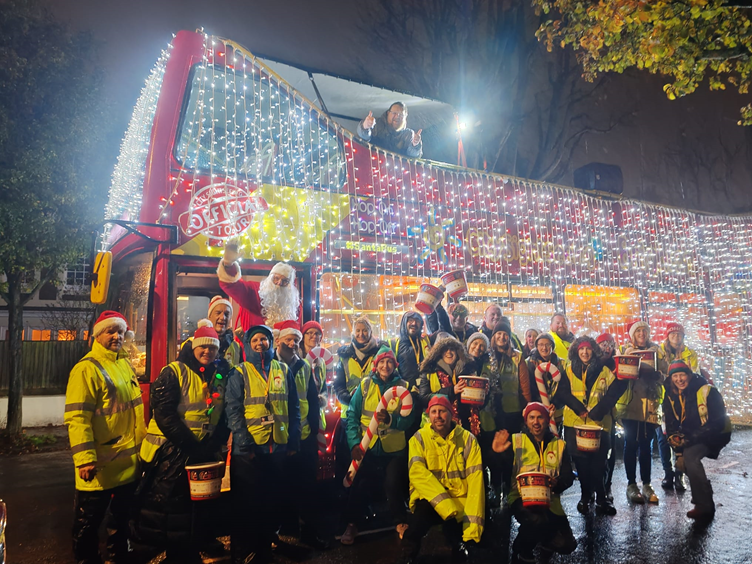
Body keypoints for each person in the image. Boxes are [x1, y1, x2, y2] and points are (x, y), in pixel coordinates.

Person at [134, 320, 231, 562]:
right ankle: (177, 556)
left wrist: (212, 445)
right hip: (172, 455)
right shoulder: (173, 371)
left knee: (197, 510)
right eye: (203, 347)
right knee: (173, 510)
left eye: (213, 348)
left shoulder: (217, 375)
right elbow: (164, 415)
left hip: (201, 454)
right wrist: (192, 446)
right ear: (194, 346)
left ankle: (189, 551)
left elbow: (221, 414)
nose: (208, 352)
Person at [64, 310, 146, 564]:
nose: (116, 337)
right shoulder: (86, 369)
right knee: (88, 524)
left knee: (121, 520)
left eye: (120, 332)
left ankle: (118, 557)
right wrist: (85, 459)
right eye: (111, 331)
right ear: (97, 335)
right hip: (99, 466)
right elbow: (77, 418)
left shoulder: (123, 364)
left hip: (127, 465)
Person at [225, 325, 301, 564]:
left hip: (276, 447)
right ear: (249, 344)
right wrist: (245, 445)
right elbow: (233, 411)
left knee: (271, 501)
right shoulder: (239, 372)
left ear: (271, 342)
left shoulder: (283, 369)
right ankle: (242, 553)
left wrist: (293, 440)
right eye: (256, 339)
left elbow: (294, 406)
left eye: (265, 339)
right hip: (249, 452)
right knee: (247, 505)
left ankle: (265, 549)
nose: (260, 343)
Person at [341, 346, 417, 545]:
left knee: (392, 484)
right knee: (359, 484)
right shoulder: (365, 386)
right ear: (376, 365)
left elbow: (409, 420)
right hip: (368, 448)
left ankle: (400, 521)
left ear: (395, 365)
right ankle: (352, 523)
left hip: (393, 449)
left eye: (389, 362)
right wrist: (354, 444)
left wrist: (392, 420)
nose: (386, 366)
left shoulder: (403, 386)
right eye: (382, 362)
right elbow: (352, 416)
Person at [399, 395, 484, 564]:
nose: (437, 416)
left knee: (461, 537)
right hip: (430, 500)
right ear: (428, 416)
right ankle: (406, 555)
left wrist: (473, 529)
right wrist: (446, 506)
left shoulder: (468, 440)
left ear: (451, 414)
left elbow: (476, 483)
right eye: (433, 411)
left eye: (442, 411)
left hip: (459, 500)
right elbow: (418, 474)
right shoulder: (419, 439)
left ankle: (459, 545)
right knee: (416, 526)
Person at [493, 402, 577, 564]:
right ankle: (522, 550)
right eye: (531, 417)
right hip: (520, 498)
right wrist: (497, 454)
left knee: (567, 544)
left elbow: (568, 477)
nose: (536, 422)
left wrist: (557, 483)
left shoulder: (559, 445)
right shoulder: (516, 441)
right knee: (537, 520)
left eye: (540, 417)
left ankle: (544, 541)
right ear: (526, 421)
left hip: (550, 501)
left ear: (547, 420)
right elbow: (501, 468)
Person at [555, 336, 627, 516]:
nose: (585, 352)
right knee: (580, 463)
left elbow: (618, 388)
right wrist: (578, 408)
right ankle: (585, 496)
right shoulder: (569, 370)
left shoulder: (605, 370)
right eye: (581, 349)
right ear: (576, 352)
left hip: (599, 422)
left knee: (599, 463)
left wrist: (599, 410)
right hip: (575, 423)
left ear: (593, 350)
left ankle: (602, 498)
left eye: (588, 349)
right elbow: (562, 392)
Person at [273, 320, 329, 550]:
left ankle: (308, 533)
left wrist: (314, 431)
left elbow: (313, 400)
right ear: (278, 341)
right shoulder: (269, 364)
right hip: (279, 437)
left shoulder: (304, 366)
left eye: (296, 340)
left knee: (307, 487)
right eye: (289, 339)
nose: (293, 343)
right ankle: (283, 530)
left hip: (304, 435)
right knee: (280, 487)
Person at [663, 360, 732, 521]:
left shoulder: (707, 391)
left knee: (691, 457)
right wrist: (678, 452)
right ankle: (703, 493)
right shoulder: (671, 396)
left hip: (715, 433)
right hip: (691, 435)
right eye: (676, 376)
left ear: (689, 375)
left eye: (683, 375)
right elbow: (671, 425)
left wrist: (688, 442)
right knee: (684, 460)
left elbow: (718, 423)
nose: (680, 379)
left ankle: (704, 506)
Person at [478, 321, 532, 501]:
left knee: (509, 453)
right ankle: (494, 487)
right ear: (493, 336)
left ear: (509, 337)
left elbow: (524, 388)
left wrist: (526, 412)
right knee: (492, 453)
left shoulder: (517, 357)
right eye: (498, 333)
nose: (502, 337)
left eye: (505, 334)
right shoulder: (485, 356)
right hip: (489, 414)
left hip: (511, 413)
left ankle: (508, 489)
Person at [617, 321, 666, 505]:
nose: (642, 334)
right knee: (630, 444)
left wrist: (659, 376)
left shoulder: (657, 351)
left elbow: (666, 372)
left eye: (644, 330)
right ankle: (631, 484)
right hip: (631, 405)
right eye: (638, 331)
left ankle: (646, 484)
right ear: (632, 334)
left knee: (646, 446)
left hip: (650, 405)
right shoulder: (624, 349)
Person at [217, 242, 300, 329]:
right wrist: (228, 265)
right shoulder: (255, 291)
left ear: (289, 285)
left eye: (285, 281)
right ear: (270, 277)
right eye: (276, 278)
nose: (279, 283)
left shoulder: (293, 303)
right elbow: (234, 286)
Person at [657, 322, 698, 491]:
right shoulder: (659, 352)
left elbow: (694, 374)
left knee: (681, 436)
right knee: (663, 438)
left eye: (679, 334)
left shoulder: (690, 353)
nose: (676, 337)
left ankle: (679, 474)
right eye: (672, 334)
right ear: (667, 336)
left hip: (683, 399)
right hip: (662, 399)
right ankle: (668, 473)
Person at [418, 335, 478, 433]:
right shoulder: (429, 371)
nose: (449, 352)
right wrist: (451, 391)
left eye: (452, 349)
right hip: (437, 424)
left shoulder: (467, 370)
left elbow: (475, 402)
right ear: (438, 352)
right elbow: (423, 398)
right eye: (444, 349)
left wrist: (482, 392)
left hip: (464, 425)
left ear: (458, 352)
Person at [595, 332, 618, 500]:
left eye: (610, 344)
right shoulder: (592, 365)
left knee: (609, 452)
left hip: (610, 415)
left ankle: (606, 486)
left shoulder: (617, 364)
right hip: (592, 415)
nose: (607, 348)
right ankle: (594, 488)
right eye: (603, 344)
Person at [356, 102, 423, 158]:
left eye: (401, 115)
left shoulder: (408, 134)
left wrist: (415, 145)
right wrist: (365, 127)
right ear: (388, 113)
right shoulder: (376, 124)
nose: (397, 116)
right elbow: (362, 139)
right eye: (394, 113)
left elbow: (413, 157)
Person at [525, 333, 563, 405]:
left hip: (556, 408)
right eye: (541, 345)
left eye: (548, 344)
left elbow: (563, 388)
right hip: (536, 406)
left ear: (552, 346)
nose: (544, 348)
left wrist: (556, 403)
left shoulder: (561, 364)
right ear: (536, 346)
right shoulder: (528, 363)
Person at [207, 294, 244, 367]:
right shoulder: (195, 343)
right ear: (210, 316)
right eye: (218, 313)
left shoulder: (236, 347)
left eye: (226, 314)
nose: (222, 317)